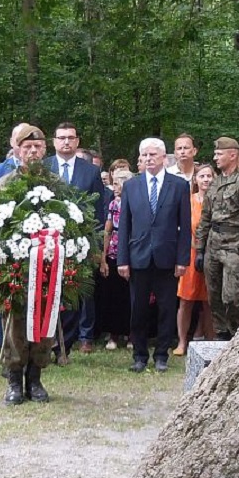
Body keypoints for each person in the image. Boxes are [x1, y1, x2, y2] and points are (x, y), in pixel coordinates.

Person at [0, 124, 55, 404]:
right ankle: (14, 380)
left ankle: (35, 379)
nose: (32, 151)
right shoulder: (4, 184)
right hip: (15, 269)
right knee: (15, 323)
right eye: (26, 147)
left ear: (44, 150)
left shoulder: (56, 185)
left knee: (44, 320)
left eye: (37, 147)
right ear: (16, 150)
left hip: (48, 269)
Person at [117, 137, 191, 373]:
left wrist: (182, 259)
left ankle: (162, 355)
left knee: (167, 308)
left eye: (153, 155)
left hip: (167, 258)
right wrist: (122, 260)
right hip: (138, 257)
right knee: (138, 309)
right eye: (144, 156)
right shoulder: (132, 186)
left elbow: (185, 225)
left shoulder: (179, 185)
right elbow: (124, 226)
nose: (148, 159)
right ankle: (139, 355)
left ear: (163, 157)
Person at [194, 137, 239, 341]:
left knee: (233, 297)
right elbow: (205, 217)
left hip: (235, 245)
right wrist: (200, 249)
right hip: (213, 244)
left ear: (232, 155)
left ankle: (237, 332)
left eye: (219, 154)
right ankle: (221, 334)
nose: (215, 157)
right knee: (213, 296)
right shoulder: (216, 183)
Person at [45, 122, 105, 355]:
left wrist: (96, 245)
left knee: (72, 294)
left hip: (79, 243)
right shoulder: (43, 167)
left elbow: (99, 211)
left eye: (71, 137)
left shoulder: (90, 171)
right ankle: (45, 341)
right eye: (61, 138)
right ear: (54, 141)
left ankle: (65, 346)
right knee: (48, 291)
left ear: (78, 141)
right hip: (47, 242)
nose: (66, 142)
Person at [174, 164, 215, 355]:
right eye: (202, 176)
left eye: (209, 176)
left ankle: (210, 340)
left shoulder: (218, 202)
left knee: (209, 301)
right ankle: (182, 342)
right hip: (190, 254)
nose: (206, 179)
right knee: (186, 300)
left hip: (213, 255)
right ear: (195, 179)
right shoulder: (188, 201)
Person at [98, 168, 133, 350]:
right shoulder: (113, 203)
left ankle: (131, 334)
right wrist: (103, 257)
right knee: (113, 294)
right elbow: (107, 230)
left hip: (131, 252)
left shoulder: (135, 202)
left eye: (118, 183)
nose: (115, 187)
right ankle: (113, 334)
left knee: (129, 295)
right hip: (114, 251)